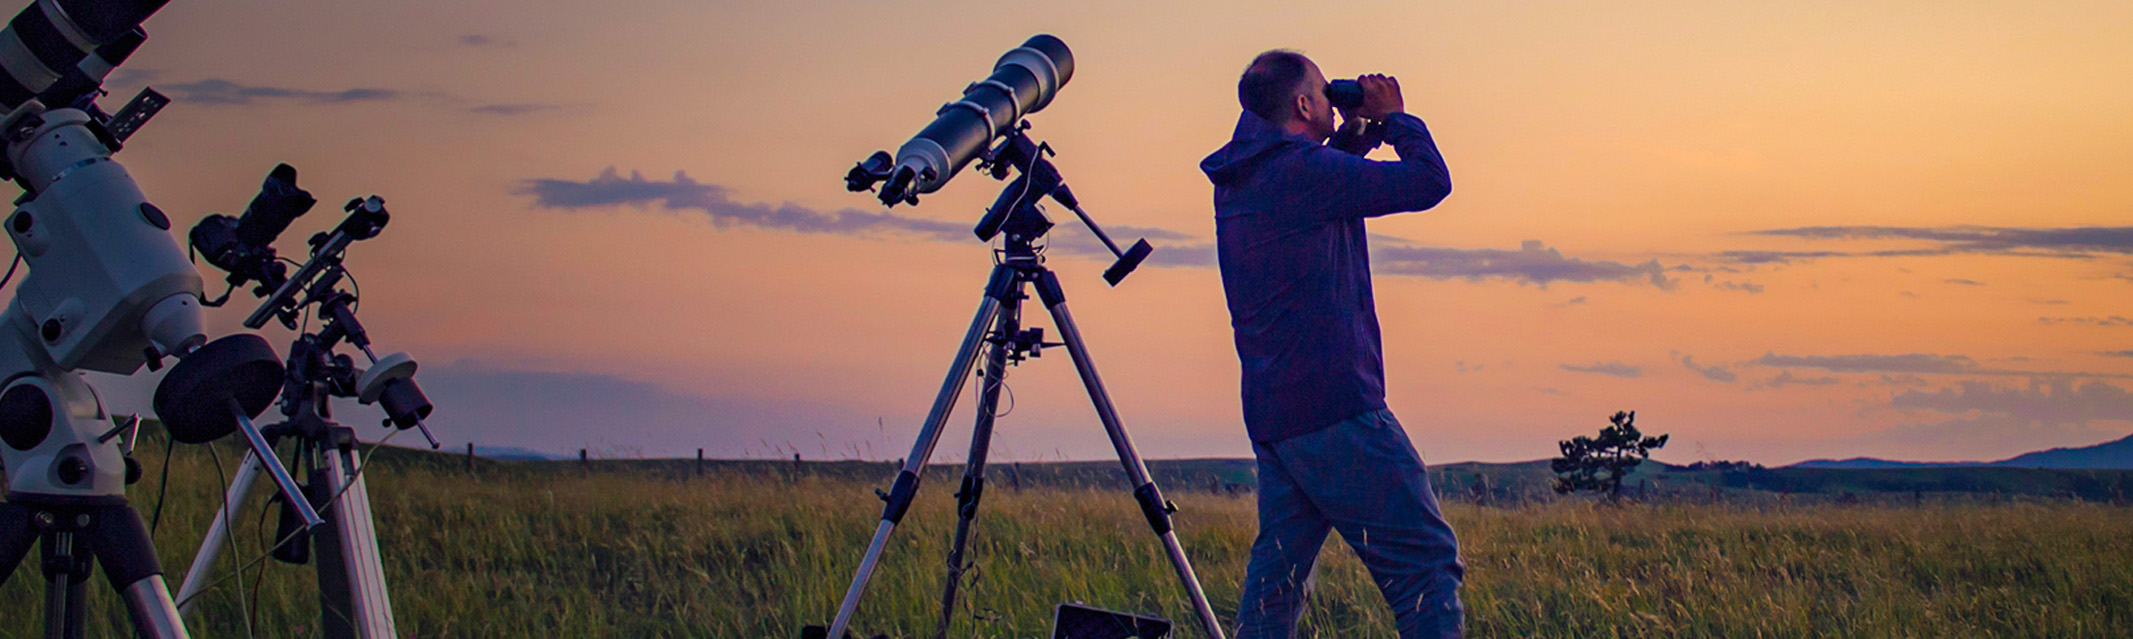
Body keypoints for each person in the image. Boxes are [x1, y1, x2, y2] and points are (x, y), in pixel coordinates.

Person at [1199, 50, 1463, 639]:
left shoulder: (1246, 177)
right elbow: (1429, 183)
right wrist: (1396, 118)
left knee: (1277, 585)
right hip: (1336, 407)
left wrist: (1350, 140)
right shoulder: (1303, 175)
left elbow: (1310, 190)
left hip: (1276, 414)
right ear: (1301, 104)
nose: (1329, 96)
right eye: (1322, 91)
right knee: (1427, 567)